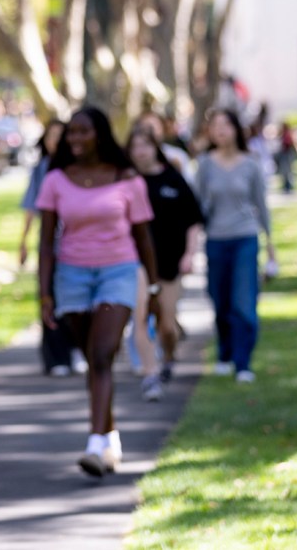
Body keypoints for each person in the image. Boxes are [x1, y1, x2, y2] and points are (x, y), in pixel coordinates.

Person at [36, 107, 160, 478]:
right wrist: (44, 294)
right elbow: (46, 244)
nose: (74, 139)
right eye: (70, 133)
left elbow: (144, 237)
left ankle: (94, 444)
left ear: (101, 135)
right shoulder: (56, 179)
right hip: (71, 275)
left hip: (117, 272)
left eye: (83, 132)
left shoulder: (127, 179)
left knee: (103, 352)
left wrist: (152, 286)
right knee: (94, 360)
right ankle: (110, 434)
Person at [195, 109, 276, 383]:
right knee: (220, 301)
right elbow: (197, 207)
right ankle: (224, 353)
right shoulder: (205, 164)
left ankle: (243, 363)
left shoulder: (250, 164)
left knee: (244, 303)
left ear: (235, 129)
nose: (220, 131)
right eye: (215, 126)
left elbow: (261, 206)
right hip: (216, 240)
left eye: (225, 125)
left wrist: (271, 244)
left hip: (245, 237)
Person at [126, 128, 204, 401]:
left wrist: (189, 255)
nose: (141, 152)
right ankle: (152, 370)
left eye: (145, 145)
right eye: (135, 146)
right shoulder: (125, 180)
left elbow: (194, 219)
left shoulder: (173, 177)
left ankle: (169, 354)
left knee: (167, 325)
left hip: (170, 264)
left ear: (155, 148)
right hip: (136, 264)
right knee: (141, 318)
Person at [18, 120, 85, 377]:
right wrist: (23, 242)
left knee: (75, 297)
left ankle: (77, 349)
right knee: (48, 299)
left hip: (76, 247)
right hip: (49, 248)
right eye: (51, 136)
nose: (56, 141)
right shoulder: (41, 170)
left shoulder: (78, 169)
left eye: (61, 135)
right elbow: (31, 208)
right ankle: (56, 357)